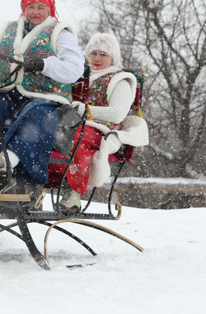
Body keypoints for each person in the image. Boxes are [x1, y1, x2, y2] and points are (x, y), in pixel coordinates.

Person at [0, 0, 84, 203]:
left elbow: (75, 68)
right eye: (30, 7)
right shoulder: (7, 29)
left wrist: (45, 65)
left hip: (46, 97)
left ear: (50, 10)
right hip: (8, 93)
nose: (35, 12)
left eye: (40, 7)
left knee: (36, 113)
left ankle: (13, 165)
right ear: (23, 9)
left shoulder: (60, 33)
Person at [57, 32, 148, 211]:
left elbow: (117, 114)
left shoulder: (119, 80)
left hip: (102, 130)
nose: (97, 58)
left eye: (103, 54)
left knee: (77, 137)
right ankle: (31, 187)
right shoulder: (77, 77)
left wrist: (86, 111)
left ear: (113, 58)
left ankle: (73, 192)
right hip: (69, 123)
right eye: (94, 53)